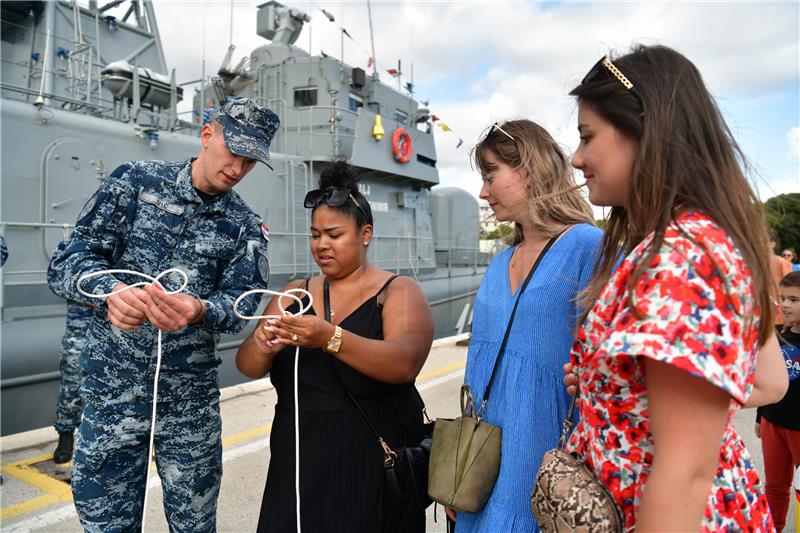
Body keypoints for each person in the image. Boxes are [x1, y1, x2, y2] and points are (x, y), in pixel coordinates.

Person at [563, 45, 788, 531]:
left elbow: (686, 476)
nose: (578, 158)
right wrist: (611, 389)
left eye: (587, 136)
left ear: (645, 128)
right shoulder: (680, 244)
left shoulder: (683, 258)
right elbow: (767, 379)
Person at [50, 96, 278, 532]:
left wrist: (199, 310)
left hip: (187, 407)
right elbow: (67, 263)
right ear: (207, 134)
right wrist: (110, 292)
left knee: (194, 526)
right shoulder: (134, 183)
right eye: (235, 151)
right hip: (113, 398)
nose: (238, 168)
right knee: (105, 526)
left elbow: (243, 305)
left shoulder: (246, 227)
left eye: (251, 162)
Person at [236, 160, 434, 533]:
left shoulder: (396, 292)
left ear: (365, 233)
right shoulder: (294, 292)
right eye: (315, 235)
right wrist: (263, 343)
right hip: (296, 465)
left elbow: (404, 363)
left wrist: (329, 338)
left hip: (369, 466)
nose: (321, 245)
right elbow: (247, 364)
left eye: (334, 234)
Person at [449, 120, 601, 533]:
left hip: (546, 460)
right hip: (483, 468)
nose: (483, 192)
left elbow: (609, 368)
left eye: (491, 175)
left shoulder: (589, 246)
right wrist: (460, 465)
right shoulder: (500, 262)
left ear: (529, 170)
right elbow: (478, 368)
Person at [756, 271, 800, 531]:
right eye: (783, 298)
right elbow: (765, 379)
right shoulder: (775, 335)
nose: (785, 304)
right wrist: (760, 417)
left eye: (794, 300)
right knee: (774, 486)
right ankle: (774, 527)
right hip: (774, 422)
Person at [46, 238, 94, 466]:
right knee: (72, 386)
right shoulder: (70, 243)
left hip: (120, 331)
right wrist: (90, 296)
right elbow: (55, 280)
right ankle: (66, 436)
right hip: (80, 330)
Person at [770, 229, 793, 325]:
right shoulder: (753, 263)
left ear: (772, 244)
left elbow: (792, 289)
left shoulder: (781, 262)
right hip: (761, 317)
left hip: (780, 318)